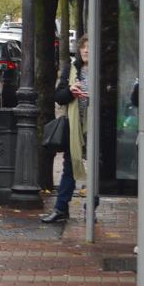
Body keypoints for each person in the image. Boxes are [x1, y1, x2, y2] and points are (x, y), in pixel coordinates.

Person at [42, 34, 89, 223]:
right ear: (79, 49)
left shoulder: (101, 71)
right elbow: (58, 96)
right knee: (70, 167)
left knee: (96, 169)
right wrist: (70, 91)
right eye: (84, 47)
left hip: (95, 125)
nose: (86, 50)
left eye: (90, 47)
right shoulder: (71, 69)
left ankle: (90, 208)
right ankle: (61, 208)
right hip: (74, 126)